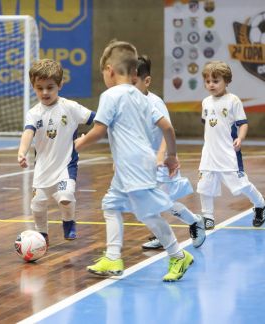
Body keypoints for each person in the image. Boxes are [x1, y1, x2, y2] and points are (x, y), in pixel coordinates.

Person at [74, 40, 193, 282]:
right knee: (111, 205)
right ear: (135, 72)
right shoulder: (142, 97)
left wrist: (74, 145)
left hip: (133, 164)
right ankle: (113, 257)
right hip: (136, 163)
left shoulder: (111, 95)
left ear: (109, 70)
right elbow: (168, 128)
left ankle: (179, 255)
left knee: (147, 214)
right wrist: (171, 155)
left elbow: (98, 131)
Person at [18, 59, 95, 245]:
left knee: (66, 198)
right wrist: (22, 152)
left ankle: (68, 223)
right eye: (40, 88)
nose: (45, 92)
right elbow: (28, 132)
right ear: (33, 87)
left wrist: (86, 138)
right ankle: (41, 234)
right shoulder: (34, 113)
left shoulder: (70, 107)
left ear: (60, 85)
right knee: (37, 205)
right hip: (43, 168)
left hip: (65, 166)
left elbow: (98, 120)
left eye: (50, 87)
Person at [134, 55, 205, 250]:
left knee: (162, 203)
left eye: (134, 82)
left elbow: (167, 132)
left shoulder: (155, 103)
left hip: (162, 162)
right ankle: (162, 234)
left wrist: (161, 156)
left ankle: (195, 221)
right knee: (146, 204)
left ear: (146, 81)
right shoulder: (130, 103)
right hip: (142, 163)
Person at [198, 60, 265, 229]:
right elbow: (207, 124)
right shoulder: (205, 102)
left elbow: (243, 123)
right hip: (209, 153)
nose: (211, 85)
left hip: (228, 153)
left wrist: (240, 138)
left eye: (216, 81)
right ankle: (207, 216)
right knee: (204, 185)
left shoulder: (233, 100)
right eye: (208, 81)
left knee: (241, 185)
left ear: (226, 81)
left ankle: (260, 204)